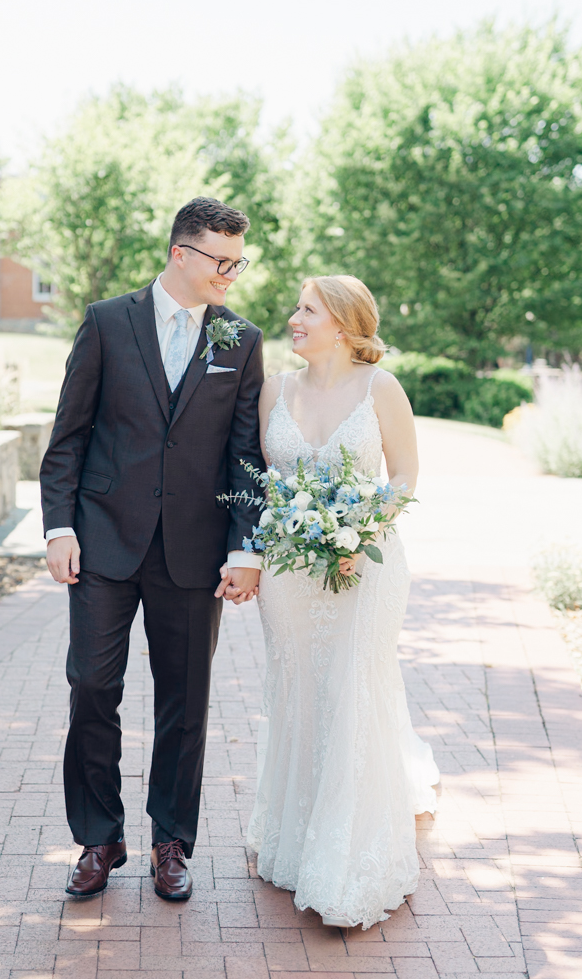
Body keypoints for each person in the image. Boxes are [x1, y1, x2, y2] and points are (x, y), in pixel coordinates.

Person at [40, 197, 265, 901]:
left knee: (185, 701)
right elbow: (68, 434)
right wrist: (59, 527)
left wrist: (243, 549)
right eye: (220, 260)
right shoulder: (108, 321)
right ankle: (99, 840)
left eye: (237, 261)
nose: (230, 273)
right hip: (103, 541)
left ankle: (172, 841)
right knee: (91, 688)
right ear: (181, 254)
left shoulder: (240, 339)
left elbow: (244, 458)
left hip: (194, 553)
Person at [247, 274, 439, 929]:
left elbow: (405, 476)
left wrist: (361, 529)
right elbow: (257, 483)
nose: (293, 318)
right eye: (296, 308)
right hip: (288, 574)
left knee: (354, 691)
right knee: (300, 695)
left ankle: (348, 861)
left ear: (341, 322)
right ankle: (298, 837)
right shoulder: (275, 388)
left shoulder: (380, 389)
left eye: (306, 309)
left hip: (366, 566)